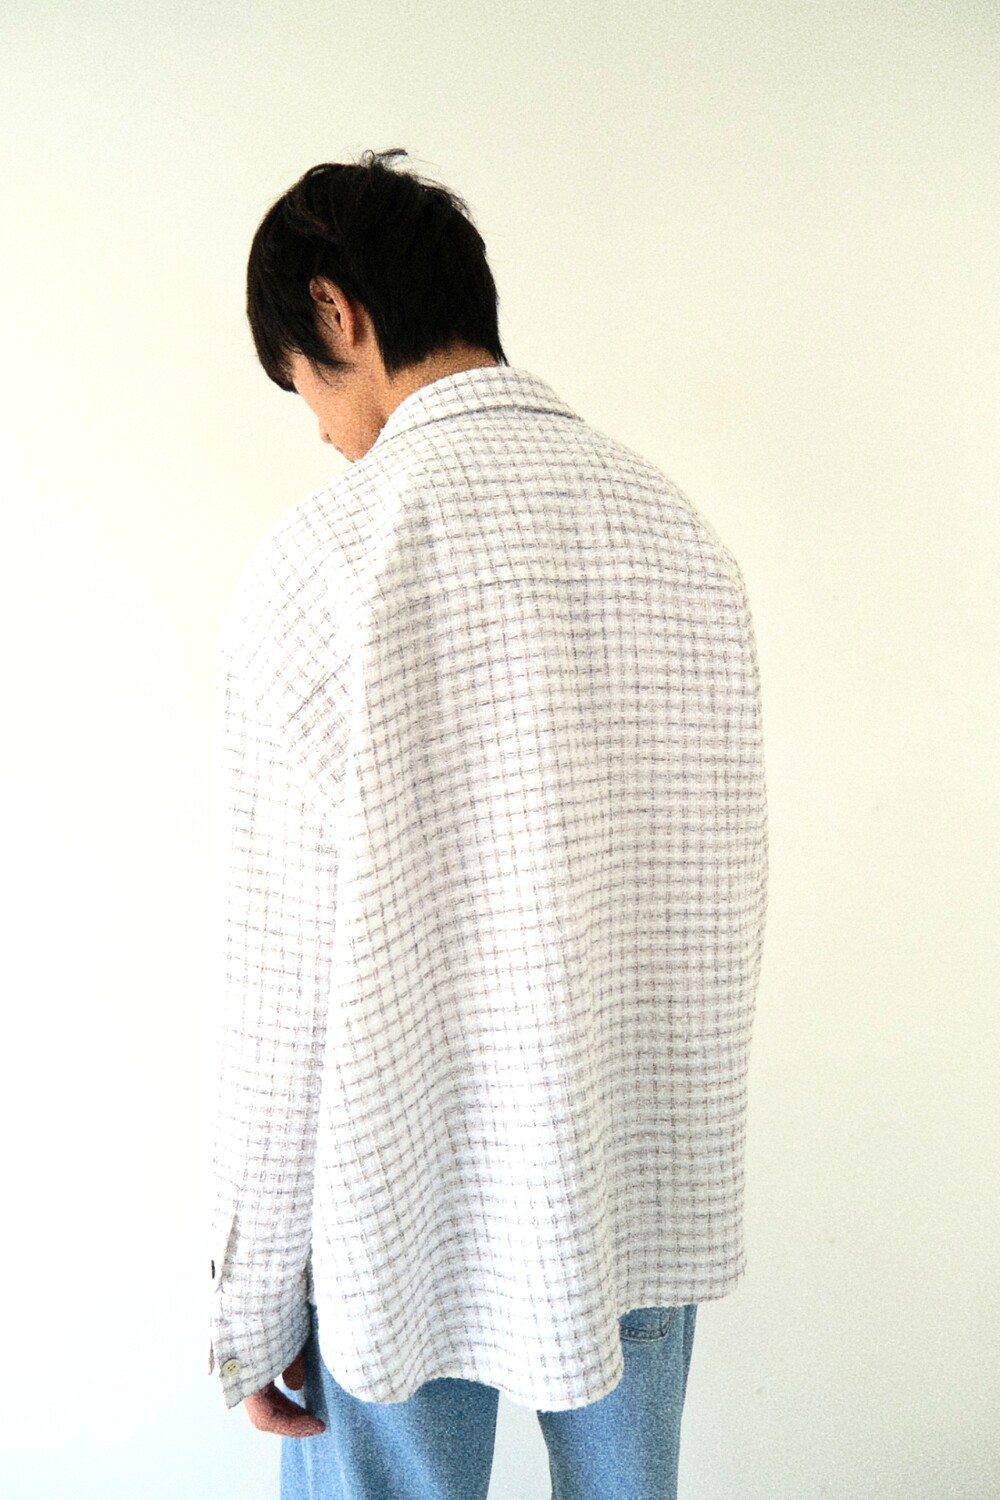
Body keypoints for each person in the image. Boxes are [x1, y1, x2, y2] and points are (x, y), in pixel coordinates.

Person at [207, 147, 768, 1500]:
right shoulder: (678, 534)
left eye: (302, 387)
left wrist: (249, 1305)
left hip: (397, 1215)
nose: (322, 429)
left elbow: (281, 990)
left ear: (336, 312)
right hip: (632, 1182)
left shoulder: (325, 561)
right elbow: (723, 907)